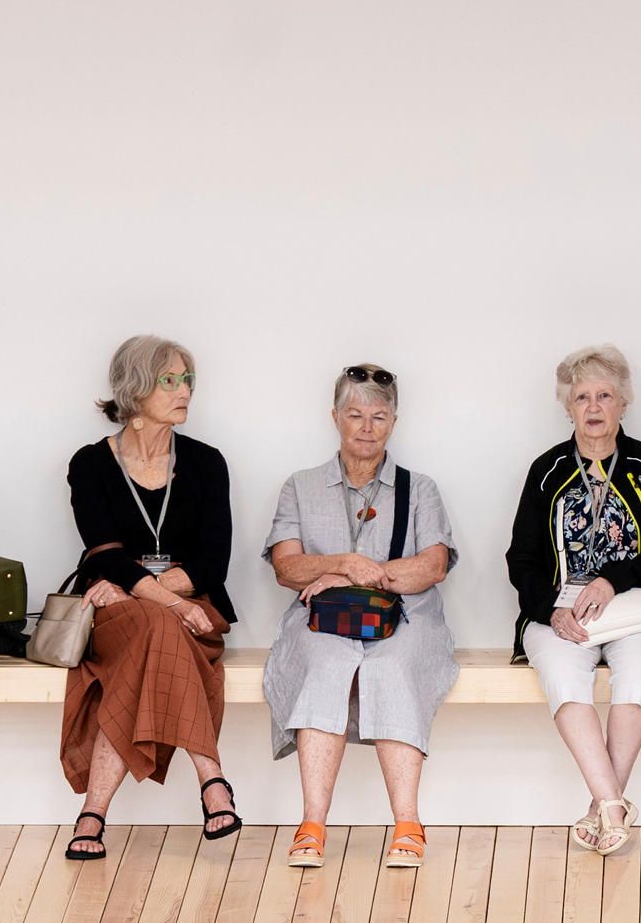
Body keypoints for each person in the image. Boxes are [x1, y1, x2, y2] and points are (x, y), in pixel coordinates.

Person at [506, 345, 641, 855]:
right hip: (560, 609)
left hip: (637, 605)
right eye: (581, 398)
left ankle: (602, 806)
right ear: (568, 408)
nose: (593, 407)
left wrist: (612, 580)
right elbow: (521, 558)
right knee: (563, 673)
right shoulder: (546, 471)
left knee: (638, 676)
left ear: (623, 405)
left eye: (604, 396)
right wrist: (551, 610)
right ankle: (613, 805)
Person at [262, 364, 457, 871]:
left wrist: (354, 578)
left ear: (394, 421)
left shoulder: (421, 490)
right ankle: (311, 824)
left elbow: (432, 567)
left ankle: (409, 824)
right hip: (320, 622)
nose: (367, 426)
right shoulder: (300, 487)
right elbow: (287, 567)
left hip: (408, 619)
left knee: (390, 667)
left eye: (379, 416)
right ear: (335, 418)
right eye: (355, 414)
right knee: (326, 666)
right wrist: (340, 563)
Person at [58, 336, 239, 861]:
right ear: (134, 389)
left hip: (186, 615)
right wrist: (172, 603)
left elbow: (213, 562)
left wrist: (155, 595)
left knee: (150, 640)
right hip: (123, 617)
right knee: (155, 628)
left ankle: (93, 815)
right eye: (169, 380)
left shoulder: (206, 463)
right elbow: (102, 555)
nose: (184, 391)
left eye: (187, 380)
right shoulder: (90, 464)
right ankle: (212, 778)